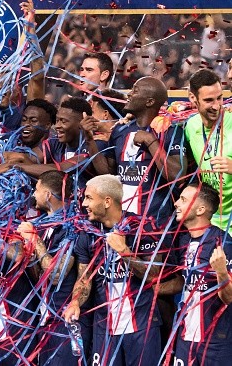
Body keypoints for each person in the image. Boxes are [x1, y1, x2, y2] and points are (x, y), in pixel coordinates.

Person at [64, 174, 164, 365]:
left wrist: (124, 251)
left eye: (89, 198)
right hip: (104, 327)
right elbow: (84, 278)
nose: (84, 203)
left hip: (141, 326)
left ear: (107, 201)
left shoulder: (143, 227)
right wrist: (75, 301)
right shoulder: (88, 233)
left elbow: (153, 276)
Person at [85, 76, 187, 227]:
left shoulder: (170, 131)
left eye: (135, 91)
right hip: (123, 222)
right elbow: (107, 173)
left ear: (150, 101)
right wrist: (89, 139)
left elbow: (177, 176)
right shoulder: (120, 130)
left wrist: (150, 141)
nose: (129, 94)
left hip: (156, 224)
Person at [16, 170, 92, 365]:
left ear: (48, 195)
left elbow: (57, 274)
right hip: (47, 320)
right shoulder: (45, 226)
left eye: (37, 189)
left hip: (67, 322)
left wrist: (35, 241)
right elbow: (39, 275)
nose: (33, 194)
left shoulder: (73, 227)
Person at [159, 183, 232, 365]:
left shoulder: (223, 243)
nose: (176, 203)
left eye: (183, 199)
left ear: (200, 209)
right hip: (185, 337)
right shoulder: (183, 241)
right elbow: (183, 282)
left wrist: (222, 272)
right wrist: (152, 290)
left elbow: (228, 298)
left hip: (215, 342)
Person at [184, 69, 232, 231]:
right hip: (209, 223)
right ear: (193, 98)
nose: (217, 106)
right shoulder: (191, 126)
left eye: (220, 98)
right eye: (209, 100)